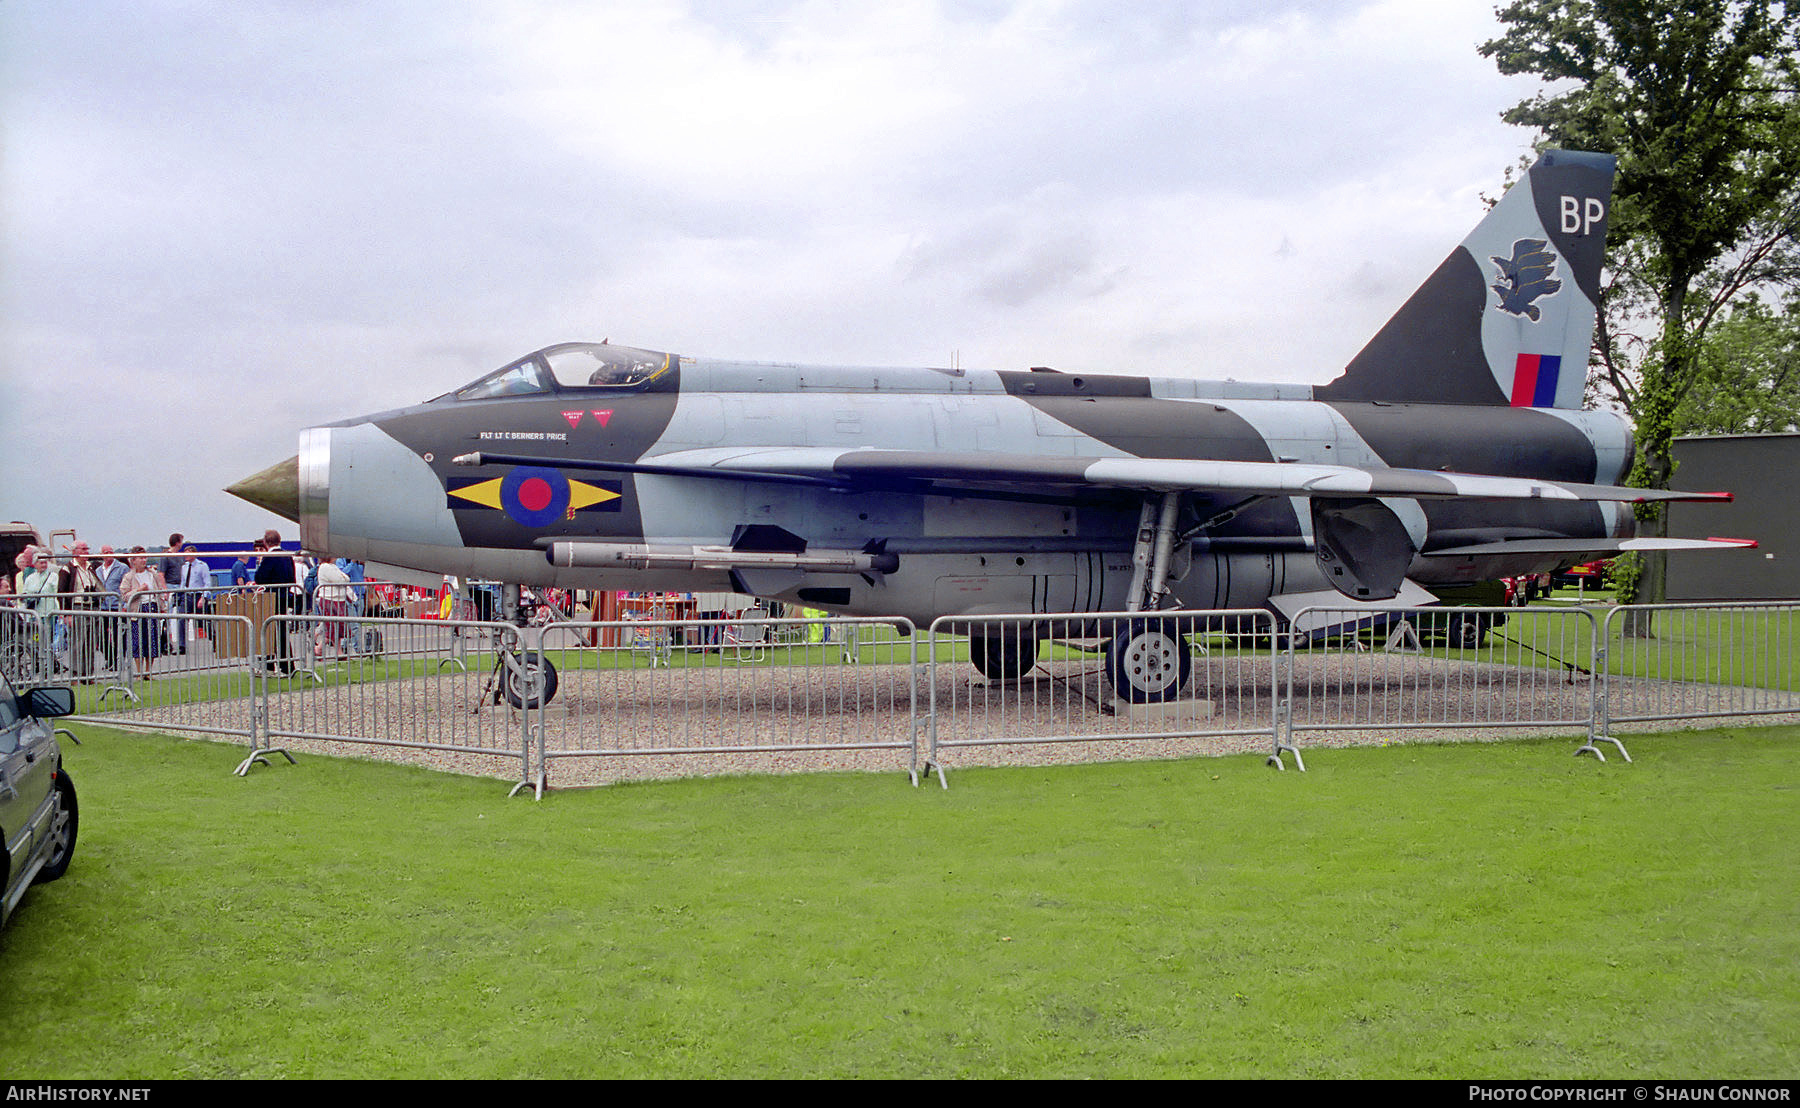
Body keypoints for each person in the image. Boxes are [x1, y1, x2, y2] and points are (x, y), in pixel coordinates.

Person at [58, 541, 106, 679]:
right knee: (78, 642)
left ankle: (88, 674)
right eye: (83, 549)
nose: (86, 552)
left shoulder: (91, 568)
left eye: (87, 549)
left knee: (91, 642)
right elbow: (61, 592)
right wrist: (66, 613)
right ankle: (75, 674)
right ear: (74, 552)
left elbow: (99, 586)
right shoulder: (67, 569)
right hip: (77, 607)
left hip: (92, 607)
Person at [253, 530, 297, 675]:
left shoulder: (269, 557)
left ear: (265, 543)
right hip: (284, 596)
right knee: (282, 631)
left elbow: (260, 577)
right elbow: (292, 578)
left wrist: (260, 564)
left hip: (271, 598)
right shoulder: (287, 556)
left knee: (269, 631)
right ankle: (286, 666)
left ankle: (270, 666)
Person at [118, 547, 164, 677]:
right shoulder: (128, 577)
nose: (144, 560)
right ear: (133, 560)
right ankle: (139, 672)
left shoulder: (152, 574)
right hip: (137, 610)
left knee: (152, 640)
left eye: (145, 557)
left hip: (152, 607)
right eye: (141, 558)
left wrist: (162, 607)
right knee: (138, 642)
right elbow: (124, 595)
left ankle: (149, 671)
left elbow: (159, 590)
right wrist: (139, 590)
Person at [173, 546, 212, 654]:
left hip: (198, 595)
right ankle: (182, 646)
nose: (186, 556)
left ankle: (214, 639)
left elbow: (207, 583)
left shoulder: (202, 566)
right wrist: (179, 595)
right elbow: (183, 582)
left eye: (188, 553)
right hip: (187, 595)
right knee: (181, 619)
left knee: (202, 622)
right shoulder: (184, 567)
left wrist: (203, 597)